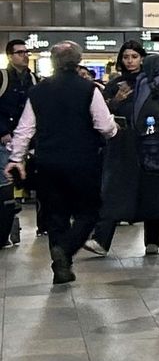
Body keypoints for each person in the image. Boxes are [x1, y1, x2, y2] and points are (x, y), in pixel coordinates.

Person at [4, 42, 118, 284]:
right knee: (89, 212)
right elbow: (105, 126)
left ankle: (61, 267)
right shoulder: (89, 89)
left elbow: (24, 130)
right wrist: (114, 131)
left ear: (53, 62)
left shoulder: (38, 91)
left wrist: (16, 159)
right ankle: (65, 250)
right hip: (83, 162)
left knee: (56, 215)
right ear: (78, 61)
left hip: (47, 162)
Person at [85, 42, 159, 258]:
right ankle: (101, 239)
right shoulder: (115, 85)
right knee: (114, 190)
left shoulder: (154, 83)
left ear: (142, 58)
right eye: (126, 57)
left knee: (152, 189)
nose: (130, 61)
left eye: (134, 56)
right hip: (122, 143)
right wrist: (116, 101)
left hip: (150, 141)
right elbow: (101, 114)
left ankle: (153, 240)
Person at [0, 39, 36, 248]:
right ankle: (3, 232)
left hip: (25, 141)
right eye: (20, 52)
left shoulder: (31, 79)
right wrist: (2, 131)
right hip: (5, 141)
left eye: (26, 52)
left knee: (18, 185)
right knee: (4, 185)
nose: (25, 55)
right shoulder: (3, 77)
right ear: (10, 56)